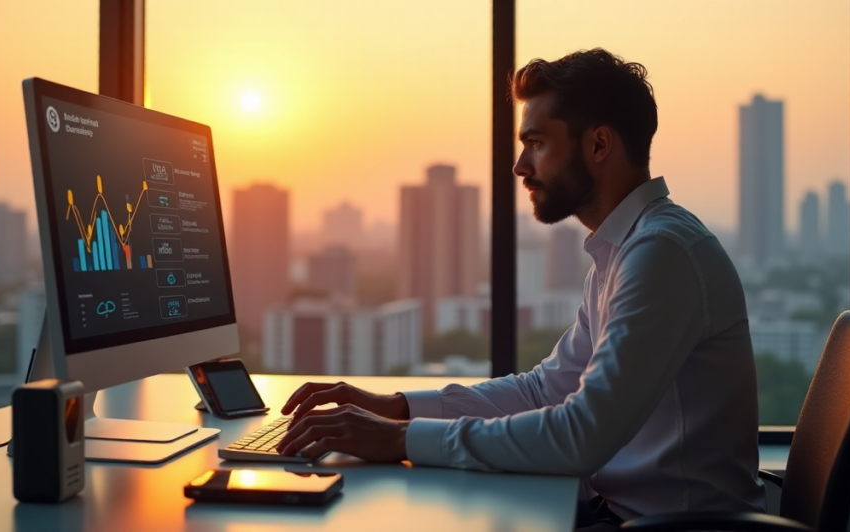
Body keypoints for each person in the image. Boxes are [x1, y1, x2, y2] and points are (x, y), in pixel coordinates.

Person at [276, 48, 766, 529]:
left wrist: (401, 439)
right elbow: (546, 389)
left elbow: (580, 435)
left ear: (598, 145)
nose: (519, 166)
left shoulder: (662, 254)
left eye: (536, 143)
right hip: (615, 514)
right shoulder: (624, 250)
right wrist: (398, 407)